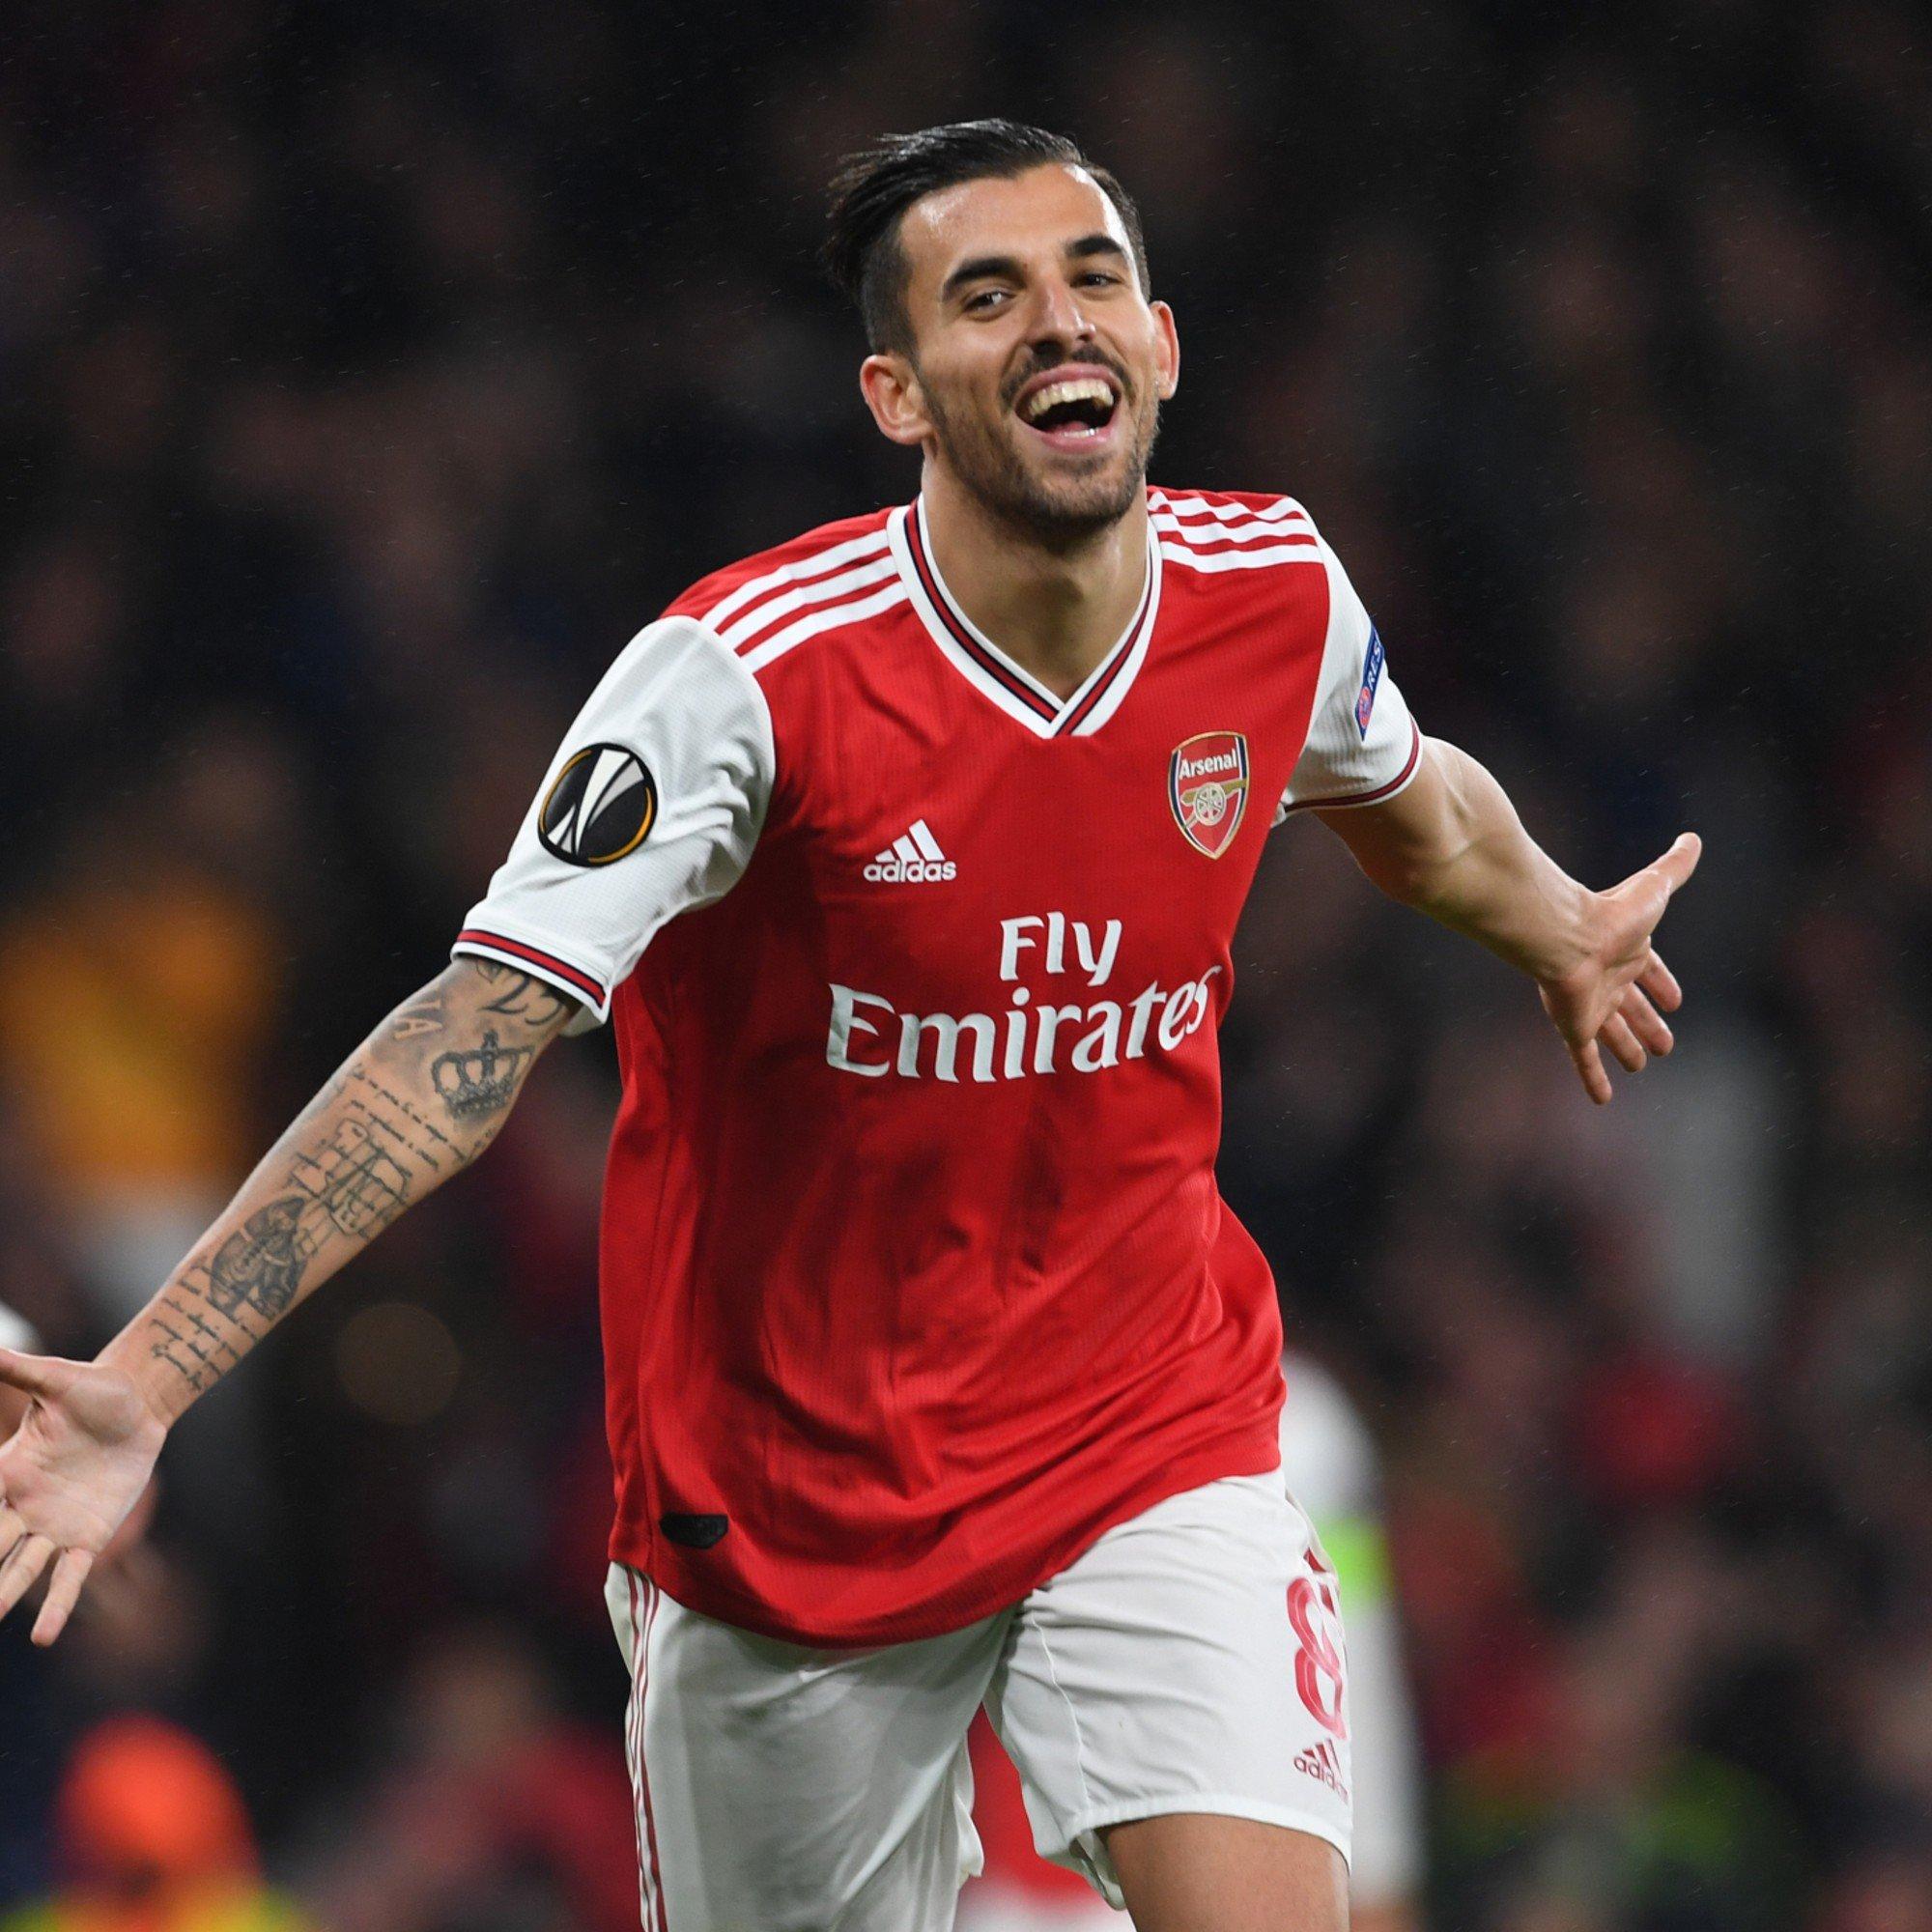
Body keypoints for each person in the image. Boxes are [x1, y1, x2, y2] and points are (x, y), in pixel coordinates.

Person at [0, 121, 1699, 1932]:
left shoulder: (1270, 594)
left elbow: (1411, 800)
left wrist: (1560, 925)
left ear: (1161, 344)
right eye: (990, 297)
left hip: (1147, 1430)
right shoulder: (744, 678)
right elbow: (471, 1034)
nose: (1058, 323)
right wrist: (146, 1382)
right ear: (897, 393)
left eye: (1093, 280)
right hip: (790, 1511)